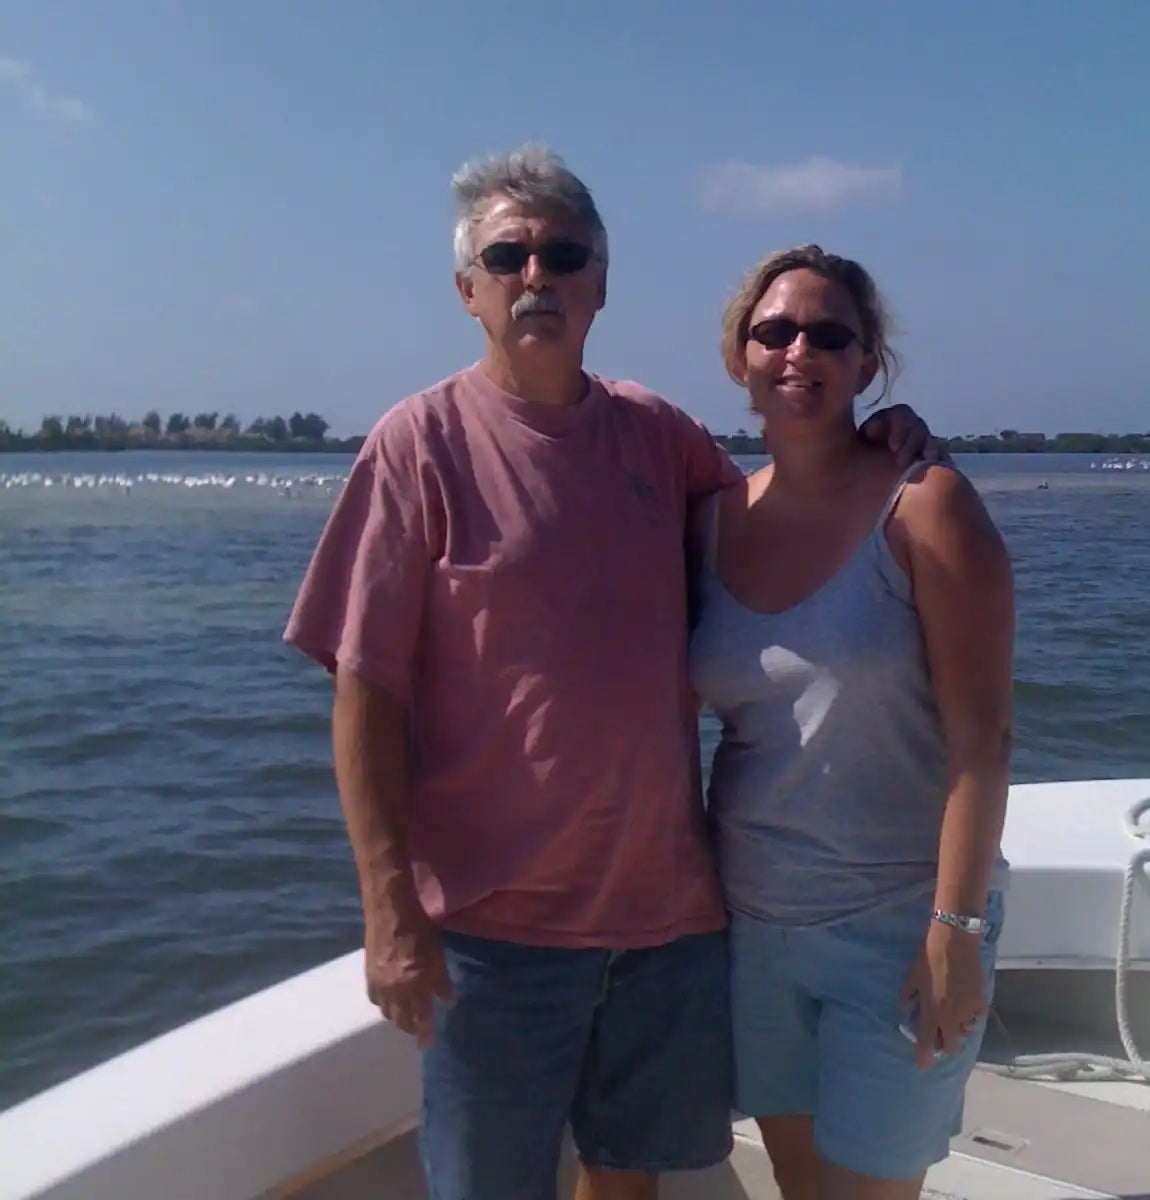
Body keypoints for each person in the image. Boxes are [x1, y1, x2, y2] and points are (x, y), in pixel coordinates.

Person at [283, 148, 939, 1200]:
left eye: (563, 253)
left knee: (629, 1180)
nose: (535, 273)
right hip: (493, 935)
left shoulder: (659, 437)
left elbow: (785, 513)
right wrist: (388, 910)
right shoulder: (416, 446)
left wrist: (880, 442)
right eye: (508, 255)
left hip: (668, 922)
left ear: (600, 282)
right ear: (469, 289)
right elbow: (365, 697)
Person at [688, 244, 1014, 1200]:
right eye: (775, 331)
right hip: (753, 923)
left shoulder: (926, 504)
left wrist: (953, 932)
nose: (800, 351)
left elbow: (984, 742)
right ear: (738, 355)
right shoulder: (704, 519)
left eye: (830, 334)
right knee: (800, 1187)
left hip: (900, 929)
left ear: (868, 363)